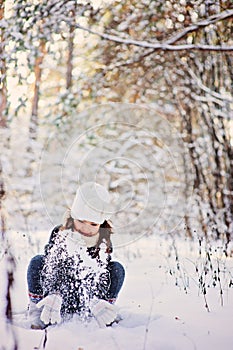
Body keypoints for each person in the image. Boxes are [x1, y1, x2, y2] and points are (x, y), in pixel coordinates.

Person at [26, 182, 125, 329]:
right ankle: (37, 310)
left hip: (90, 299)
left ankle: (105, 310)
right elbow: (51, 267)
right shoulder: (60, 233)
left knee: (116, 268)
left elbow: (101, 274)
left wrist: (95, 299)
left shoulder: (102, 240)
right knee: (38, 261)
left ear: (101, 224)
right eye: (81, 221)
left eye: (93, 224)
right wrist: (54, 293)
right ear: (73, 217)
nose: (86, 228)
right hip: (57, 298)